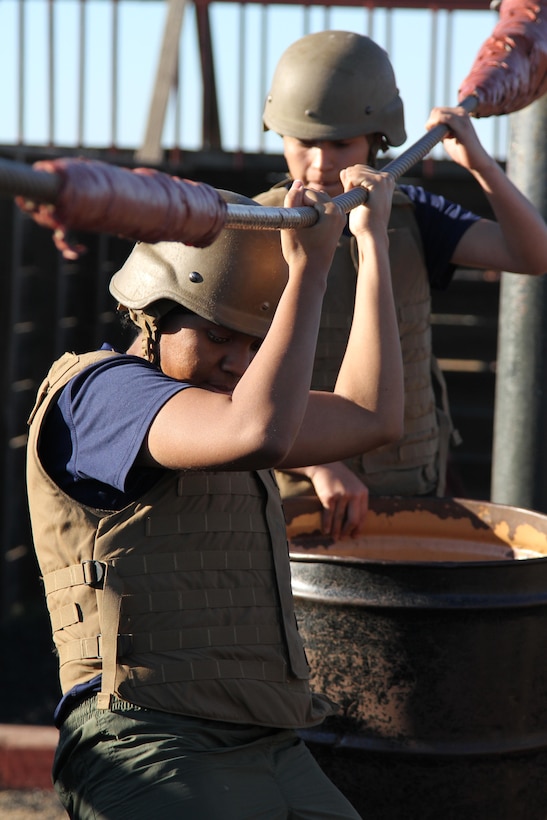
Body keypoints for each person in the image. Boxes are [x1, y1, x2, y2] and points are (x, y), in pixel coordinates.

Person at [26, 178, 403, 819]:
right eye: (218, 336)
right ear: (152, 315)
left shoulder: (227, 410)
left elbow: (372, 417)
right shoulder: (101, 395)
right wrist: (308, 270)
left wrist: (372, 246)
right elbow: (257, 433)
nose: (240, 363)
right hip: (150, 736)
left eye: (255, 345)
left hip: (270, 738)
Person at [255, 29, 547, 540]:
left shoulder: (415, 217)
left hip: (409, 497)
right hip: (290, 510)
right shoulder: (251, 227)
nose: (321, 164)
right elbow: (218, 381)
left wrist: (479, 162)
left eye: (341, 144)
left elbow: (533, 253)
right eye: (305, 143)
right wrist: (318, 466)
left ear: (377, 140)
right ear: (280, 135)